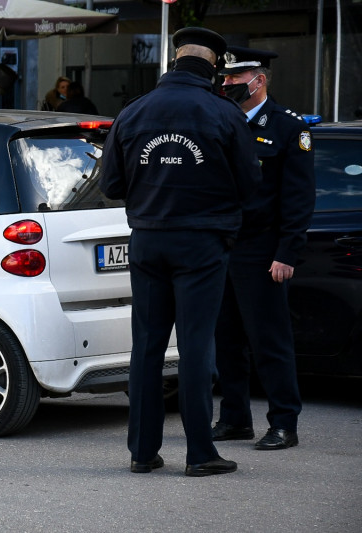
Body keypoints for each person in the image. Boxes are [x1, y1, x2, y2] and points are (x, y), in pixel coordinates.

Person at [99, 27, 262, 477]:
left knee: (147, 347)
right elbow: (251, 185)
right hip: (202, 244)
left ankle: (142, 452)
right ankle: (200, 454)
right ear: (213, 67)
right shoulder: (223, 113)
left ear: (175, 61)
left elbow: (111, 185)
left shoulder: (133, 112)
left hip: (148, 240)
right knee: (194, 347)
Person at [212, 47, 315, 450]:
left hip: (263, 249)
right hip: (223, 246)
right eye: (225, 79)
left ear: (259, 80)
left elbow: (299, 198)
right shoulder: (222, 121)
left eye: (235, 80)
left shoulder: (290, 127)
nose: (227, 85)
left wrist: (288, 252)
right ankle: (235, 418)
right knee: (226, 339)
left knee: (269, 339)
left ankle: (284, 421)